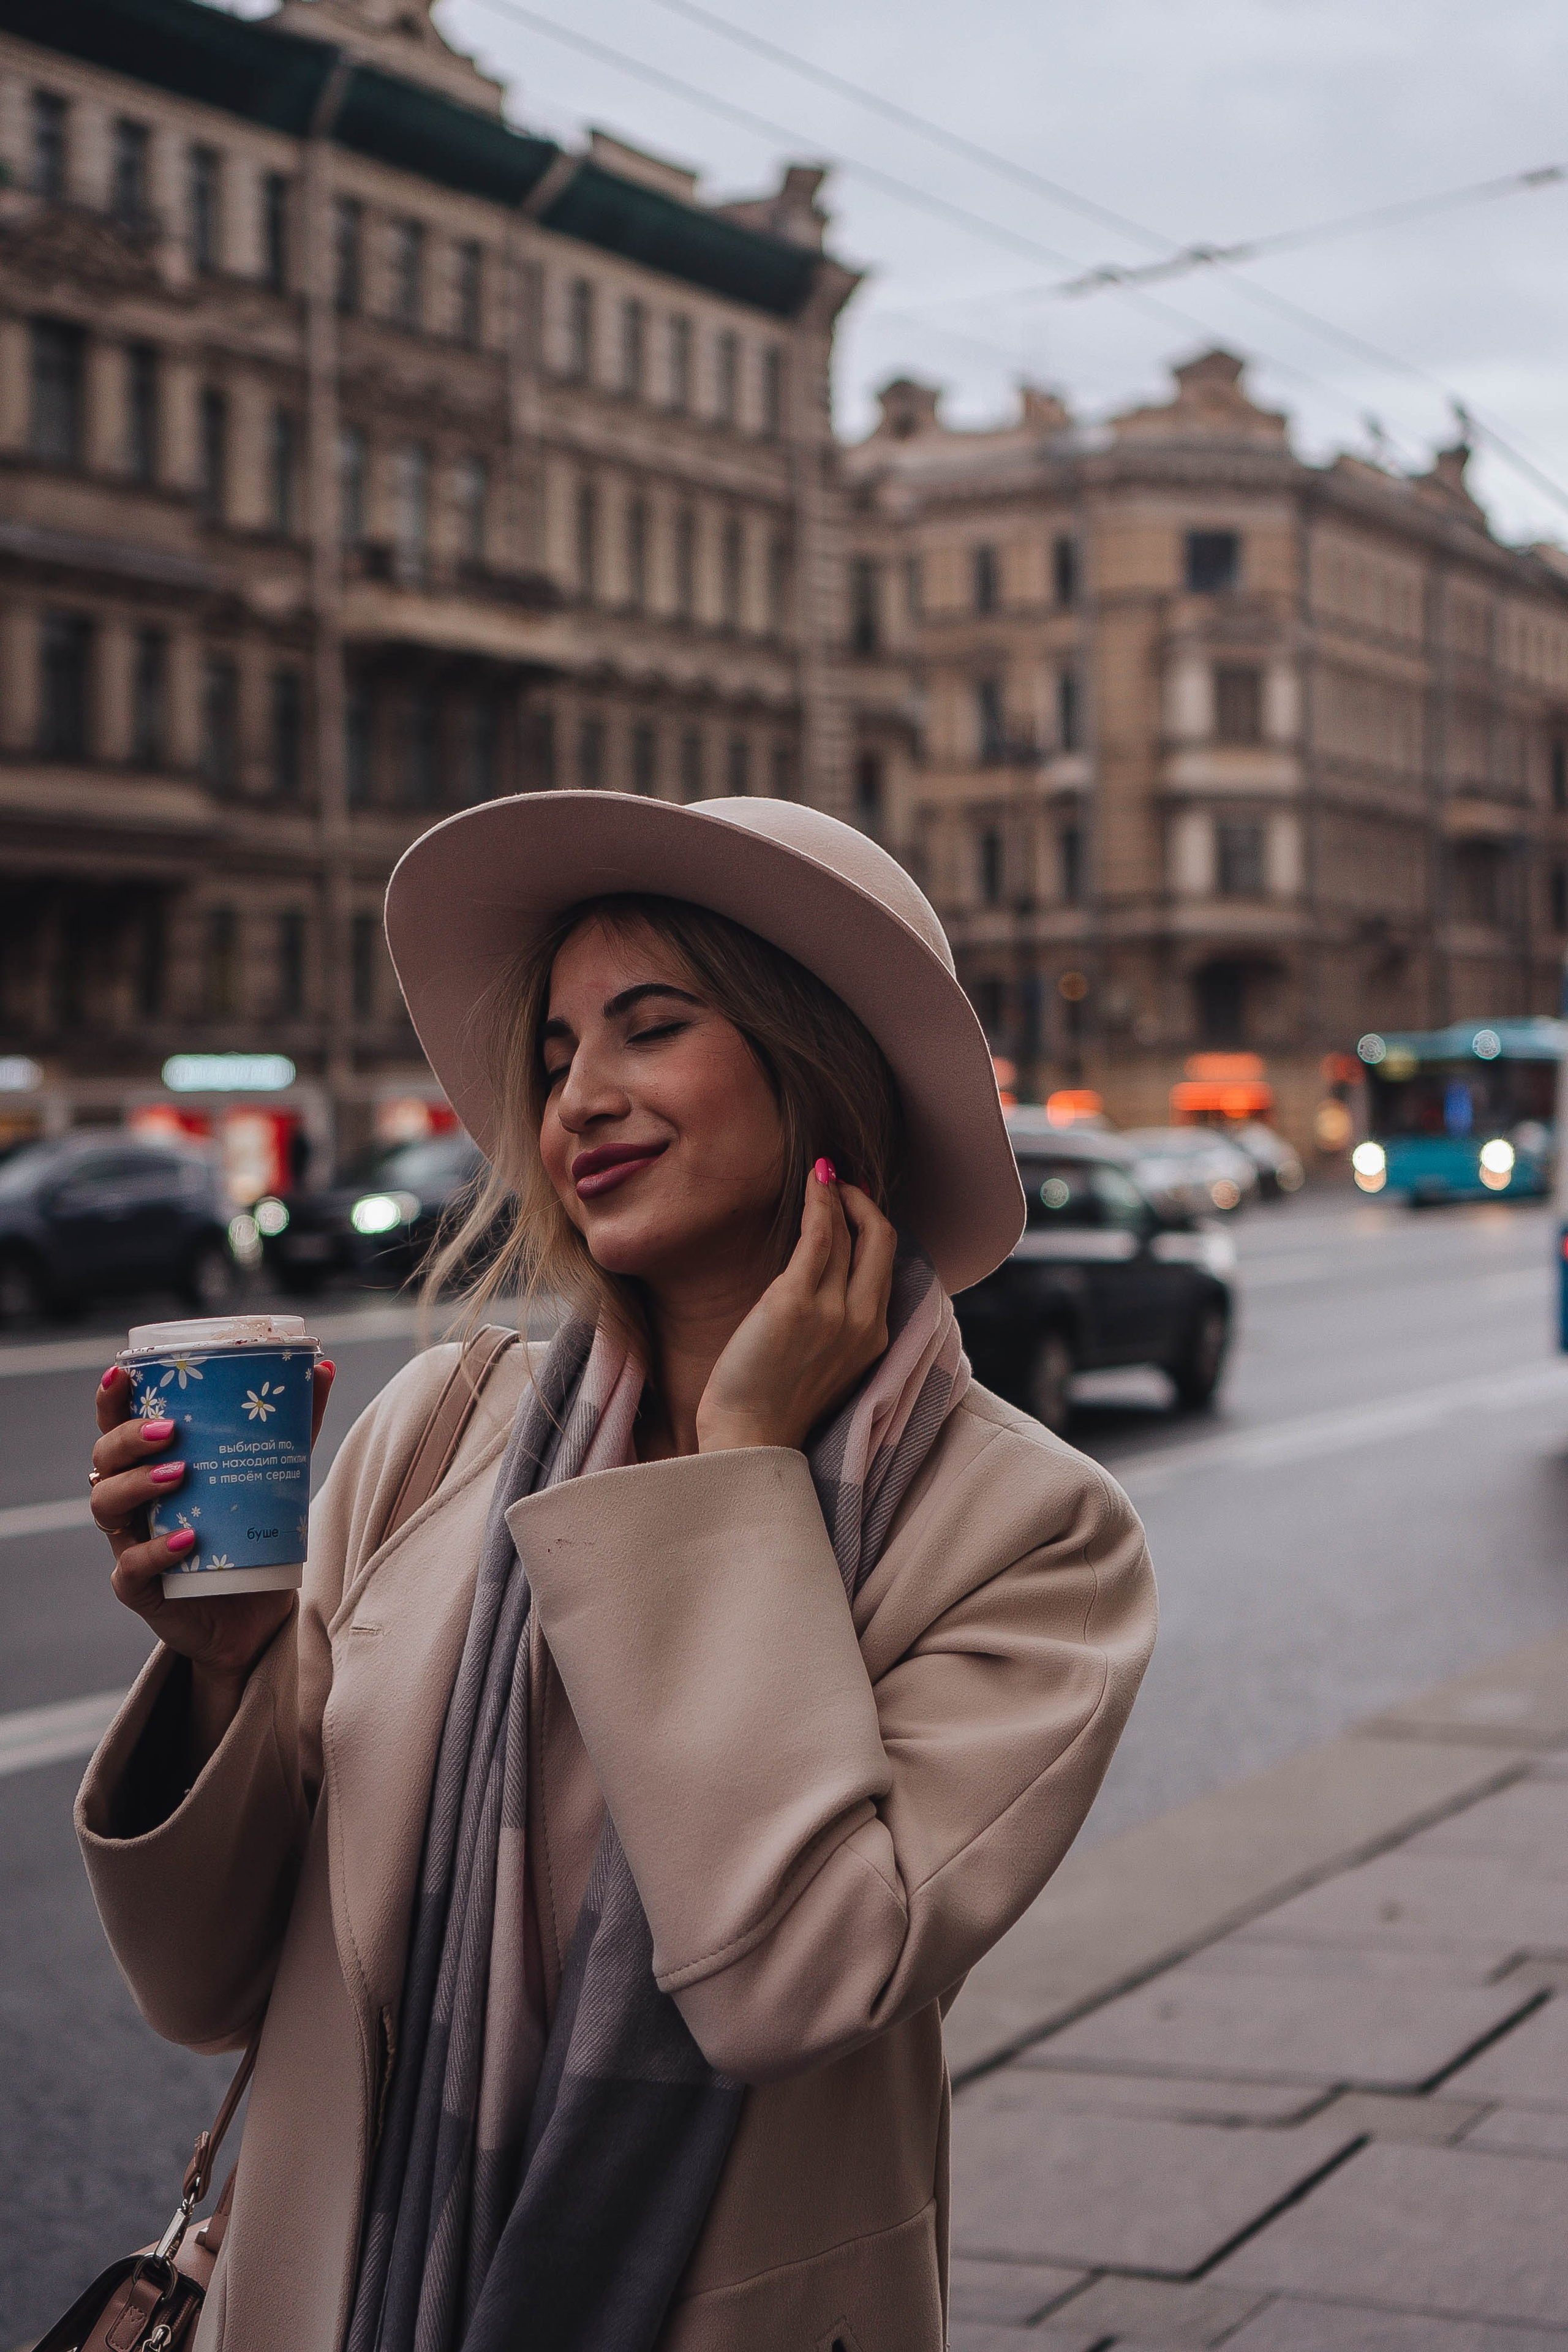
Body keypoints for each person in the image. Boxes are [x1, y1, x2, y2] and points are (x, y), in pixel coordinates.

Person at [78, 792, 1156, 2352]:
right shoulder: (439, 1427)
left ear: (817, 1063)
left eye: (649, 1028)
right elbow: (206, 1988)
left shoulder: (1028, 1533)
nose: (580, 1096)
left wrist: (738, 1467)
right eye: (556, 1053)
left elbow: (790, 1985)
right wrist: (229, 1665)